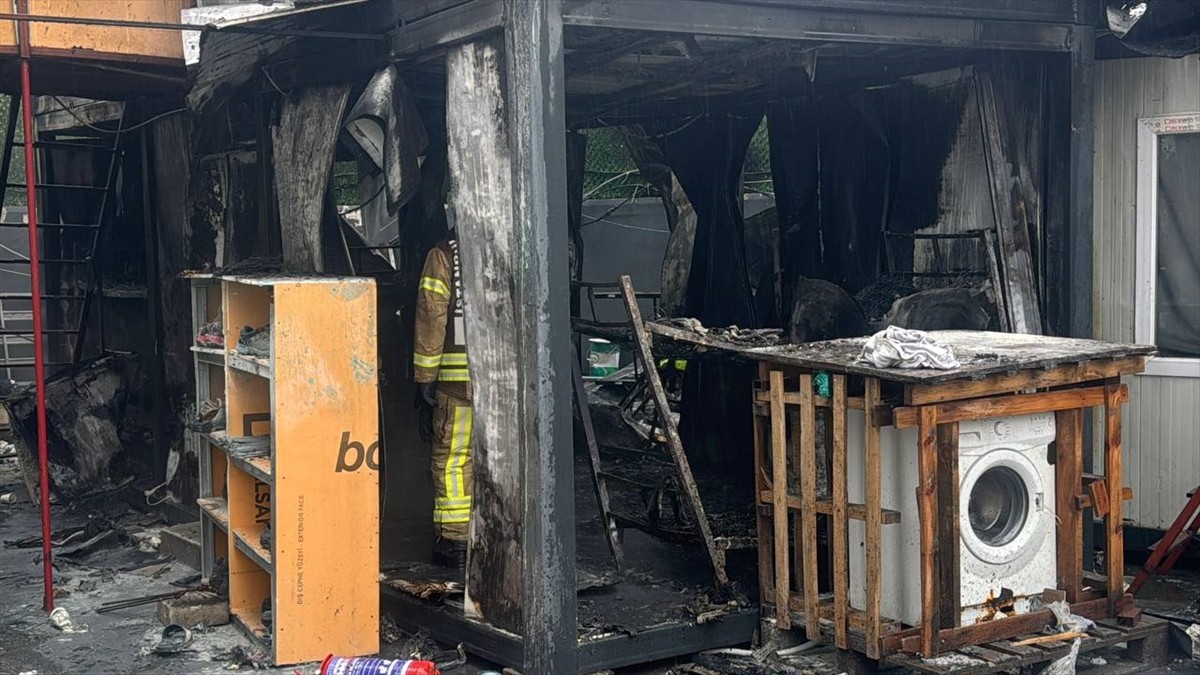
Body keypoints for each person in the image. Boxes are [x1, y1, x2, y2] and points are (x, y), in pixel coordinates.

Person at [413, 234, 472, 568]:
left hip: (457, 388)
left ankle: (456, 540)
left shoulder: (445, 255)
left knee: (454, 462)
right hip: (508, 387)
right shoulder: (511, 247)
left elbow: (432, 315)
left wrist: (424, 378)